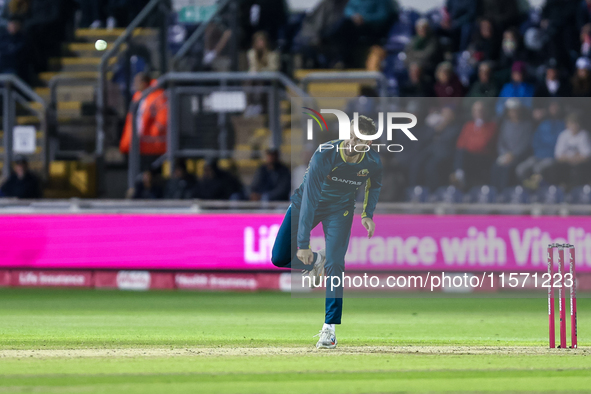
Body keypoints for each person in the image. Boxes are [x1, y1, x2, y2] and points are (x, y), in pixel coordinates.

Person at [271, 115, 383, 349]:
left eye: (359, 139)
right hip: (305, 204)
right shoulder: (325, 154)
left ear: (369, 143)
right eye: (351, 135)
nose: (352, 141)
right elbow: (310, 199)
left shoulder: (372, 162)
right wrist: (303, 245)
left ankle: (329, 329)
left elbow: (375, 185)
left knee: (335, 264)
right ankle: (316, 260)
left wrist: (367, 215)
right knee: (279, 258)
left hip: (339, 211)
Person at [324, 0, 398, 67]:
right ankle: (340, 58)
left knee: (346, 28)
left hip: (374, 29)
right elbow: (348, 10)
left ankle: (343, 59)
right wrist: (354, 17)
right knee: (344, 24)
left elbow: (382, 16)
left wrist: (365, 19)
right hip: (356, 26)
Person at [408, 106, 461, 190]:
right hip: (431, 151)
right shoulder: (437, 127)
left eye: (448, 114)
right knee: (416, 162)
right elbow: (425, 139)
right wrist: (436, 130)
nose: (445, 116)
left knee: (431, 166)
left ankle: (432, 191)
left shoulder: (455, 129)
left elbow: (448, 143)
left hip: (445, 153)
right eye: (444, 114)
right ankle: (413, 189)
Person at [452, 101, 498, 189]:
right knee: (460, 152)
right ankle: (459, 175)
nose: (478, 113)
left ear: (486, 111)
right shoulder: (468, 125)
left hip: (484, 156)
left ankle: (459, 175)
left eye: (481, 110)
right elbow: (460, 143)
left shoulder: (492, 125)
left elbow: (483, 143)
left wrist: (478, 130)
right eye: (476, 110)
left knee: (463, 154)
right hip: (469, 156)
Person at [516, 101, 564, 186]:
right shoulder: (543, 124)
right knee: (520, 169)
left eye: (556, 107)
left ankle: (541, 191)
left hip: (552, 157)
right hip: (538, 156)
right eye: (552, 107)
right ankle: (526, 189)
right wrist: (538, 154)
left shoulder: (563, 125)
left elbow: (560, 145)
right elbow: (535, 142)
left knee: (537, 168)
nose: (554, 109)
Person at [490, 99, 534, 191]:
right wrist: (505, 154)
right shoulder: (505, 124)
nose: (513, 113)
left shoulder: (527, 125)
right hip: (505, 156)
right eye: (511, 111)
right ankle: (495, 192)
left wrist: (513, 155)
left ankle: (504, 192)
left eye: (515, 110)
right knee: (496, 166)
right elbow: (501, 142)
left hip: (519, 157)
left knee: (507, 169)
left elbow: (525, 144)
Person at [546, 111, 591, 188]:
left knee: (580, 170)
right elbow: (558, 156)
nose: (573, 126)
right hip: (567, 163)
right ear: (567, 125)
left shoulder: (584, 135)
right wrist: (573, 158)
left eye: (575, 123)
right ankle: (556, 190)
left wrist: (569, 158)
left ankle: (576, 191)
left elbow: (587, 156)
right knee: (553, 168)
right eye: (571, 123)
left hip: (580, 164)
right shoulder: (563, 135)